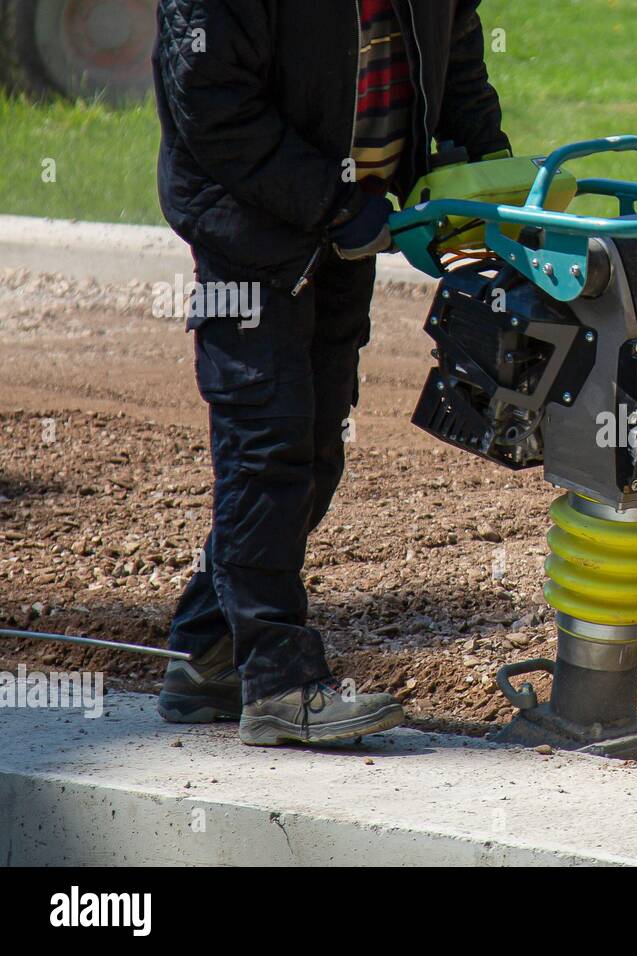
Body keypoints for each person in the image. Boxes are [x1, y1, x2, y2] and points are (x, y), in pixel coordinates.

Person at [151, 0, 511, 745]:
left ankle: (206, 653)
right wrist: (330, 200)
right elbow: (211, 105)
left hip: (352, 224)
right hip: (250, 226)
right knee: (268, 443)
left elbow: (456, 47)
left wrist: (489, 173)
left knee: (314, 452)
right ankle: (279, 686)